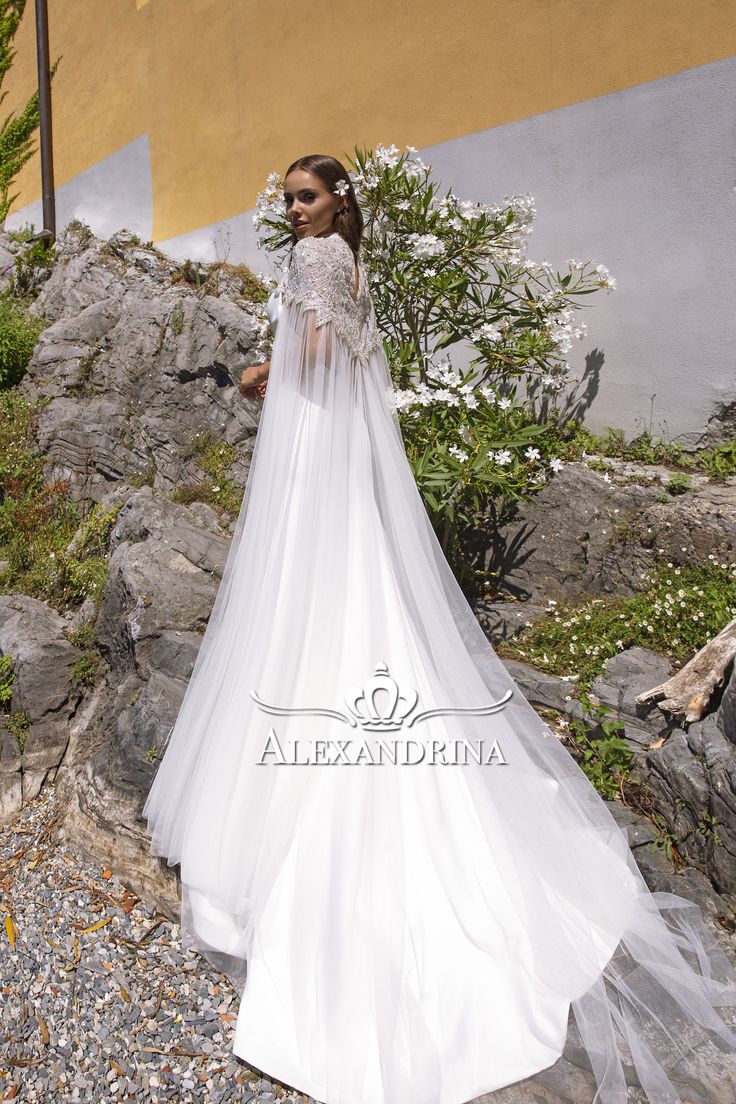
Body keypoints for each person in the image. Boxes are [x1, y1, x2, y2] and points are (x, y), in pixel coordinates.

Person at [143, 154, 736, 1104]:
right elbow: (348, 354)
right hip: (326, 438)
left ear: (338, 200)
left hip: (310, 434)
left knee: (302, 586)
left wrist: (271, 366)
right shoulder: (346, 258)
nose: (294, 211)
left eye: (307, 197)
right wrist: (282, 361)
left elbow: (325, 356)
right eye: (290, 199)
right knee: (337, 580)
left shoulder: (320, 260)